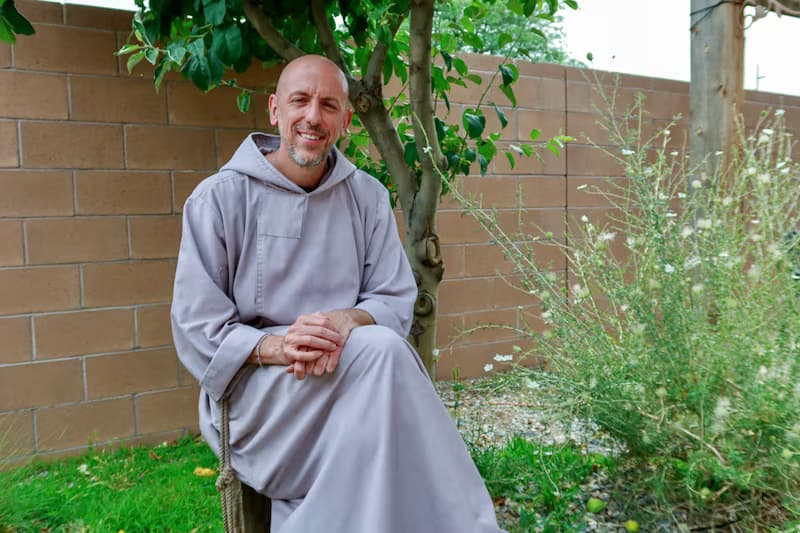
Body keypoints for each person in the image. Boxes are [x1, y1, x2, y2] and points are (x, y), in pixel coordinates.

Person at [171, 54, 506, 533]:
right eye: (300, 101)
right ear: (274, 109)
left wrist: (344, 323)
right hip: (260, 399)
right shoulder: (218, 199)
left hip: (350, 374)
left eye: (329, 105)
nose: (313, 117)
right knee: (383, 356)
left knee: (378, 350)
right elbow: (195, 327)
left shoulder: (366, 195)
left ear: (346, 121)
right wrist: (279, 346)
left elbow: (394, 296)